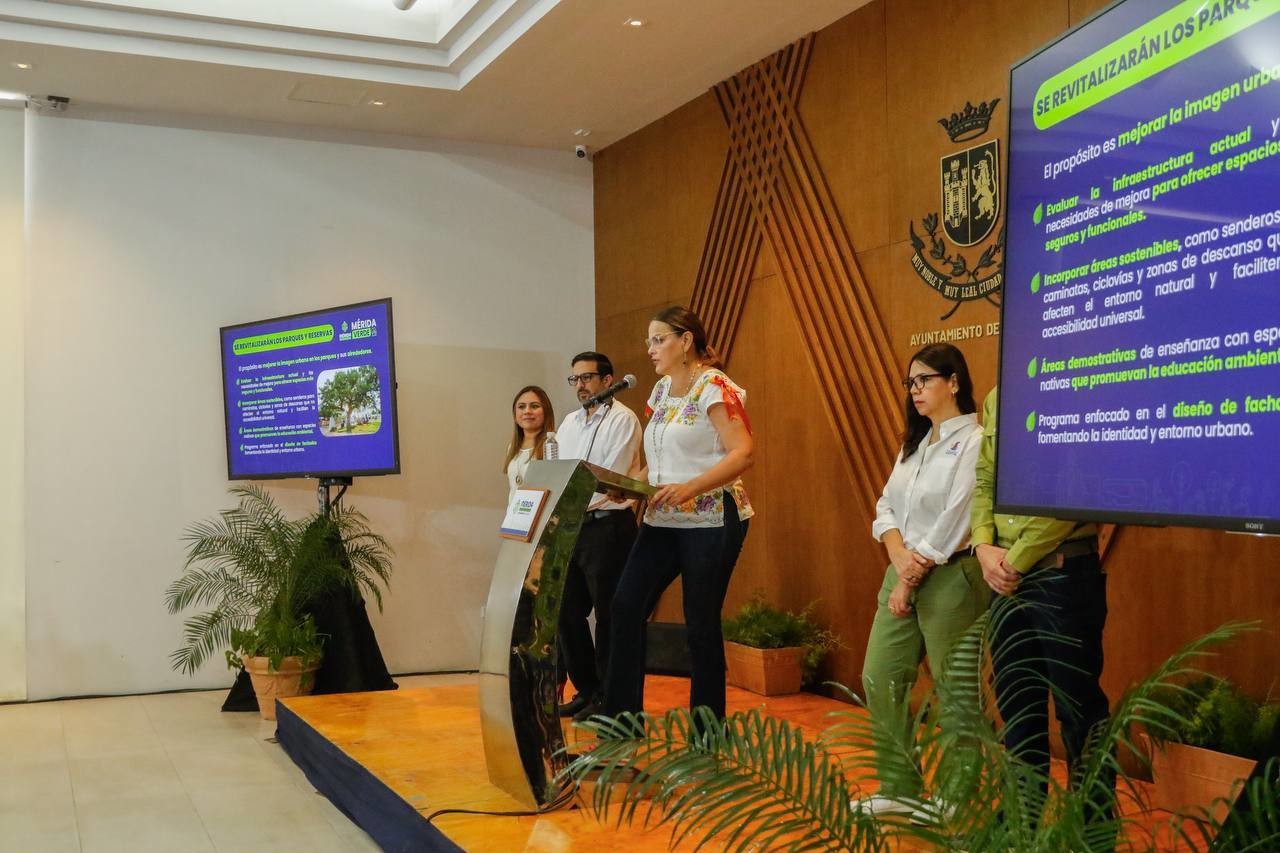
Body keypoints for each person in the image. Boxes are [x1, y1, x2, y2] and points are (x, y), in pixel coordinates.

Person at [971, 386, 1114, 834]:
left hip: (1060, 571)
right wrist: (981, 545)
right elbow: (985, 477)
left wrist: (1015, 559)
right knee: (1018, 708)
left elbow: (1071, 487)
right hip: (1003, 573)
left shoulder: (1083, 381)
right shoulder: (1000, 393)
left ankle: (1091, 831)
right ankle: (1021, 825)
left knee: (1079, 710)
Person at [854, 344, 989, 817]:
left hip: (951, 576)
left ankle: (956, 797)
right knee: (880, 676)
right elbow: (885, 506)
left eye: (924, 380)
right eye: (910, 383)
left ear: (953, 382)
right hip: (903, 568)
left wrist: (910, 576)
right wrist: (896, 554)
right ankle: (900, 786)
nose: (915, 391)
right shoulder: (914, 445)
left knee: (954, 691)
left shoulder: (975, 439)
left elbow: (958, 519)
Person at [603, 306, 754, 721]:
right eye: (647, 340)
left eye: (658, 340)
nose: (649, 349)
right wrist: (633, 487)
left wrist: (689, 488)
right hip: (662, 519)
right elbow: (661, 456)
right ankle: (621, 723)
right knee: (626, 604)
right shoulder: (660, 390)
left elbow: (743, 453)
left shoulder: (714, 386)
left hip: (712, 519)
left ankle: (708, 733)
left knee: (700, 621)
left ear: (685, 340)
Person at [554, 351, 643, 722]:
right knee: (565, 612)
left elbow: (612, 476)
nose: (580, 385)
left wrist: (575, 497)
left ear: (609, 380)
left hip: (607, 526)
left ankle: (610, 698)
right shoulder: (569, 422)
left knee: (608, 615)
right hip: (571, 527)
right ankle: (587, 690)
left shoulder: (624, 419)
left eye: (588, 378)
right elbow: (558, 471)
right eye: (574, 379)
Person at [503, 385, 555, 500]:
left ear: (546, 412)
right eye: (521, 407)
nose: (527, 411)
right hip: (515, 515)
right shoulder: (512, 447)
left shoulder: (553, 444)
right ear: (515, 415)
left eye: (534, 406)